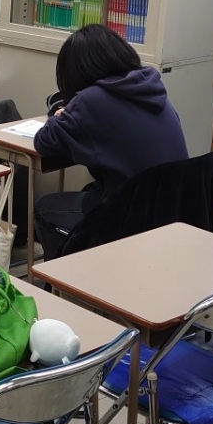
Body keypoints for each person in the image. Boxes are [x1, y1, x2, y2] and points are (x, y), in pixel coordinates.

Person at [33, 25, 188, 259]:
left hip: (132, 213)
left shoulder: (91, 100)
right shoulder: (151, 86)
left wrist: (61, 114)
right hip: (175, 208)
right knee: (91, 191)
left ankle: (62, 278)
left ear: (77, 70)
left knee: (45, 208)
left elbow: (43, 141)